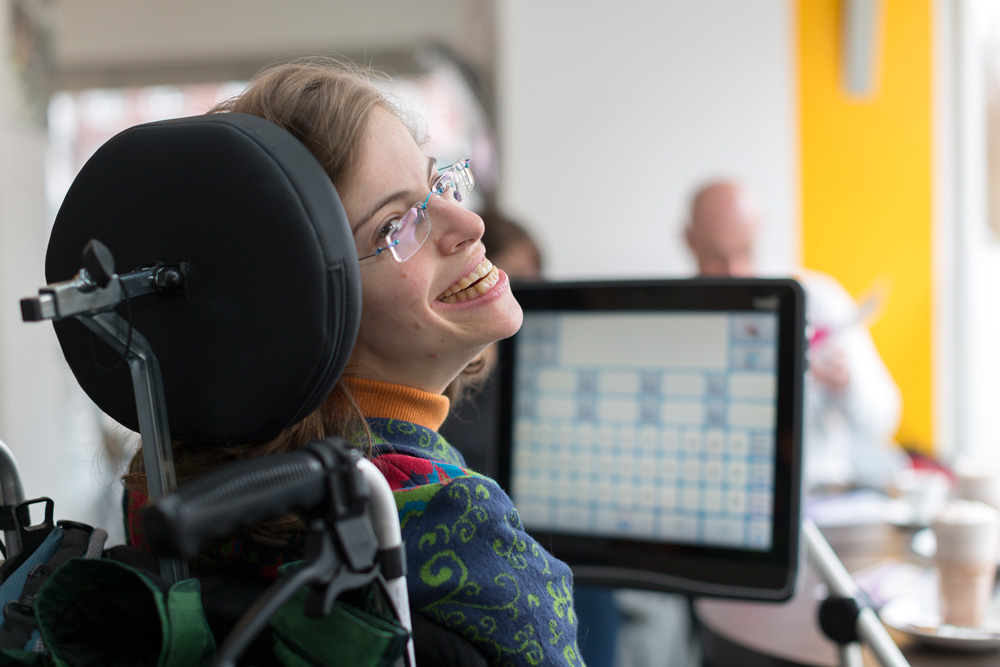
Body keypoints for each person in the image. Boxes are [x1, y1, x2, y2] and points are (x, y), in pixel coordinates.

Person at [122, 58, 583, 666]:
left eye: (437, 183)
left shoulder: (161, 494)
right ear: (304, 311)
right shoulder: (453, 519)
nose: (470, 224)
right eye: (397, 225)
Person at [684, 179, 905, 490]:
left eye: (745, 251)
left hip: (815, 493)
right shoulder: (672, 319)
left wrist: (845, 385)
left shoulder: (817, 299)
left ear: (758, 231)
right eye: (717, 256)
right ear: (690, 240)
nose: (734, 271)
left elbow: (884, 418)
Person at [439, 209, 544, 476]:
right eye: (519, 278)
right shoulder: (442, 368)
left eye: (536, 278)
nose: (529, 294)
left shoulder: (527, 365)